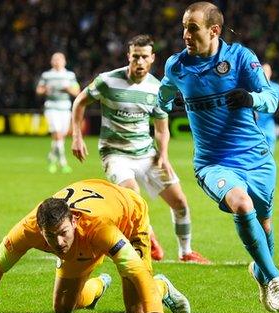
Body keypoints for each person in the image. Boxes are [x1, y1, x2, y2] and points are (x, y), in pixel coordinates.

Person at [157, 2, 279, 312]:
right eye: (184, 27)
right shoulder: (177, 65)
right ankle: (274, 279)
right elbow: (164, 92)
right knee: (241, 204)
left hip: (255, 158)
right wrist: (161, 106)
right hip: (212, 162)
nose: (185, 34)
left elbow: (272, 97)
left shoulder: (241, 58)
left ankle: (260, 271)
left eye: (193, 28)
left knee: (265, 225)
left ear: (214, 30)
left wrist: (250, 98)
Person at [0, 179, 190, 313]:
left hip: (130, 214)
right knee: (62, 308)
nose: (58, 243)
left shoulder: (100, 229)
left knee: (137, 311)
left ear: (74, 221)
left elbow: (136, 269)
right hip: (87, 230)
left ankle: (162, 286)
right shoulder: (28, 229)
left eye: (62, 234)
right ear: (40, 230)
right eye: (50, 236)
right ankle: (98, 286)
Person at [70, 35, 211, 265]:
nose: (140, 61)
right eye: (136, 56)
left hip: (147, 154)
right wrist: (77, 136)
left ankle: (186, 252)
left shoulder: (157, 89)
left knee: (180, 203)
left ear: (152, 58)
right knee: (133, 195)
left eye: (145, 57)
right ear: (129, 56)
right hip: (115, 154)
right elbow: (80, 102)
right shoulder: (107, 81)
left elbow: (162, 129)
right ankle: (149, 237)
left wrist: (163, 155)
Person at [36, 52, 80, 173]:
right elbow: (39, 90)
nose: (57, 62)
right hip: (51, 107)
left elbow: (77, 91)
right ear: (51, 62)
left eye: (59, 59)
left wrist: (68, 89)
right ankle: (63, 162)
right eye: (55, 59)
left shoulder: (70, 75)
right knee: (58, 135)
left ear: (64, 61)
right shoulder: (47, 75)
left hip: (65, 108)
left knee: (61, 136)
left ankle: (51, 157)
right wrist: (45, 90)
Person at [257, 64, 279, 153]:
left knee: (271, 140)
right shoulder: (253, 85)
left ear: (271, 73)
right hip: (256, 121)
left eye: (267, 71)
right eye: (263, 70)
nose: (265, 73)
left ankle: (268, 163)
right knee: (257, 146)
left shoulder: (276, 87)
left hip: (268, 121)